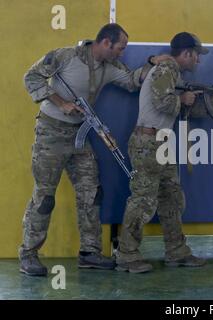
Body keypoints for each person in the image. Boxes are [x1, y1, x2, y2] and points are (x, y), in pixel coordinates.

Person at [20, 23, 164, 276]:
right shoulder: (65, 56)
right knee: (44, 196)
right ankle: (28, 255)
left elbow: (132, 81)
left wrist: (152, 63)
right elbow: (31, 77)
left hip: (79, 136)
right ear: (106, 43)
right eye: (120, 47)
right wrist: (61, 102)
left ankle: (89, 252)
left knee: (91, 193)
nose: (122, 52)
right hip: (51, 133)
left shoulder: (109, 67)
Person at [115, 32, 213, 273]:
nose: (198, 62)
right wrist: (182, 98)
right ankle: (126, 254)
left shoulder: (175, 74)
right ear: (186, 54)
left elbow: (183, 107)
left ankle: (177, 251)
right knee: (143, 201)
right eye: (196, 56)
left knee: (172, 198)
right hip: (148, 142)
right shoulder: (166, 69)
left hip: (161, 143)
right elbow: (163, 102)